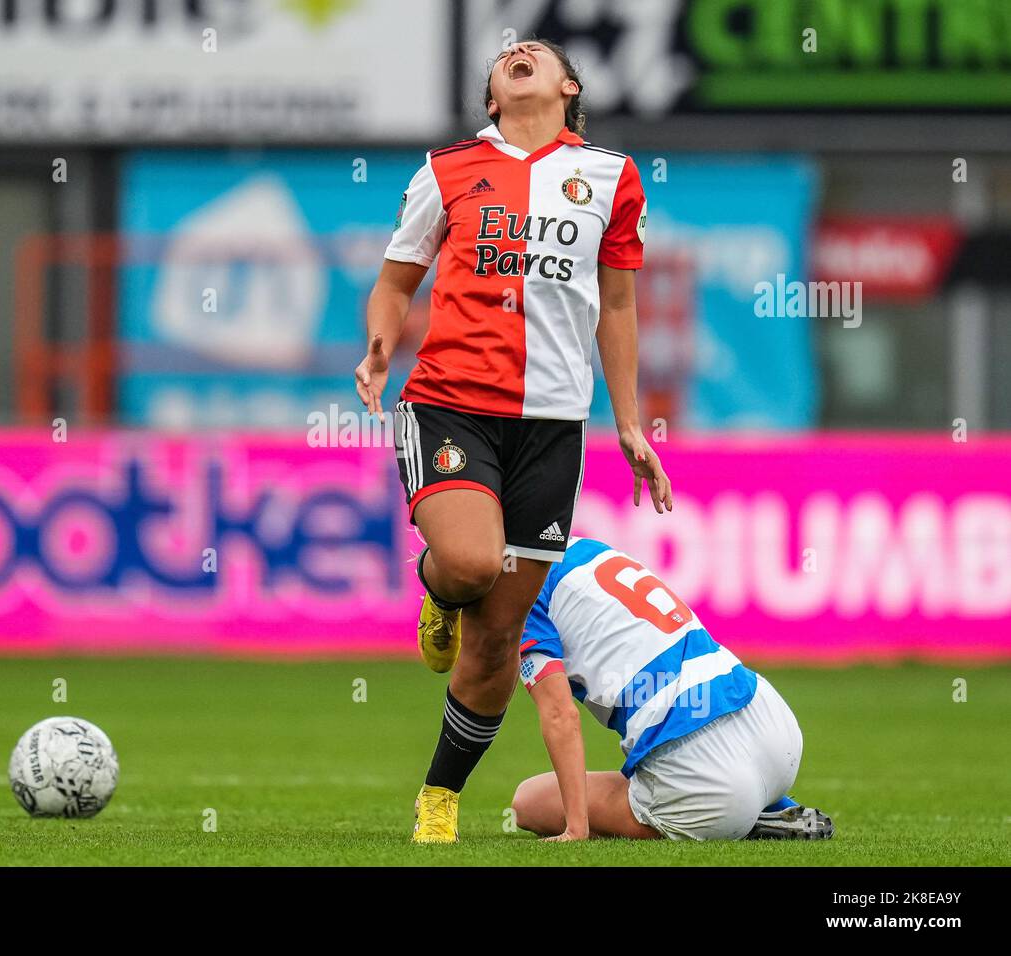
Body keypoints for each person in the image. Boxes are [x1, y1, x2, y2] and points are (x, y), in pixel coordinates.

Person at [354, 38, 671, 843]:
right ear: (493, 100)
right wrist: (380, 345)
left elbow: (621, 306)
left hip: (554, 426)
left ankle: (439, 798)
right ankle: (439, 588)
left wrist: (629, 421)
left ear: (568, 86)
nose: (520, 51)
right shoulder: (447, 170)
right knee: (468, 562)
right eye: (506, 57)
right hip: (450, 405)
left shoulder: (611, 177)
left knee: (497, 638)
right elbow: (396, 281)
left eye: (540, 53)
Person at [510, 537, 835, 841]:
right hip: (772, 725)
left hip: (708, 779)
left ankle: (745, 820)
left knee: (528, 803)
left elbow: (559, 714)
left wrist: (576, 828)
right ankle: (772, 806)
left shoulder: (518, 585)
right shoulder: (586, 547)